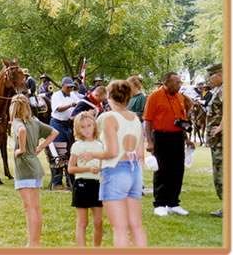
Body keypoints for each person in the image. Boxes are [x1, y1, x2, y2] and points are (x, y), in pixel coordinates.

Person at [80, 80, 147, 247]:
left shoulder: (108, 117)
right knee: (136, 226)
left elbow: (112, 152)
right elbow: (140, 153)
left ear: (108, 96)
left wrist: (91, 154)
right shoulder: (135, 118)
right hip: (135, 172)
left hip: (115, 171)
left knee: (120, 228)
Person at [9, 94, 59, 247]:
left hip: (25, 168)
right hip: (35, 166)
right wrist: (40, 147)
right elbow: (54, 132)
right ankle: (35, 242)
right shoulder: (34, 123)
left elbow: (22, 131)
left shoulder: (17, 123)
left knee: (29, 208)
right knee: (35, 207)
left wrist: (21, 149)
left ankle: (32, 244)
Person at [143, 72, 195, 216]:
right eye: (175, 83)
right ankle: (160, 203)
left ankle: (173, 203)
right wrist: (149, 140)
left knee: (177, 169)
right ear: (166, 82)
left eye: (179, 82)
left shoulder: (179, 97)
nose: (179, 85)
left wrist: (187, 139)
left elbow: (181, 119)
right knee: (162, 170)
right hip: (161, 136)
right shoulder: (154, 97)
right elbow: (147, 120)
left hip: (177, 136)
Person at [67, 111, 103, 247]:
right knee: (83, 222)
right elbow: (71, 168)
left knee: (98, 221)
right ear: (77, 129)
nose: (87, 129)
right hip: (82, 184)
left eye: (89, 125)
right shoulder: (77, 146)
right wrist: (88, 169)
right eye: (82, 127)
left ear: (94, 125)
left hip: (97, 185)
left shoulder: (100, 145)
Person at [49, 77, 79, 190]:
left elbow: (78, 105)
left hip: (69, 124)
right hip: (57, 124)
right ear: (62, 86)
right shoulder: (56, 95)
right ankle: (57, 182)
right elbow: (58, 109)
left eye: (71, 87)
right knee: (57, 152)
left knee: (69, 151)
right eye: (68, 87)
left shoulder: (73, 95)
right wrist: (71, 105)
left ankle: (69, 181)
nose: (70, 89)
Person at [205, 63, 223, 217]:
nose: (209, 80)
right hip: (218, 141)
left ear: (220, 74)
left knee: (222, 173)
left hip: (222, 141)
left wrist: (221, 127)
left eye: (211, 76)